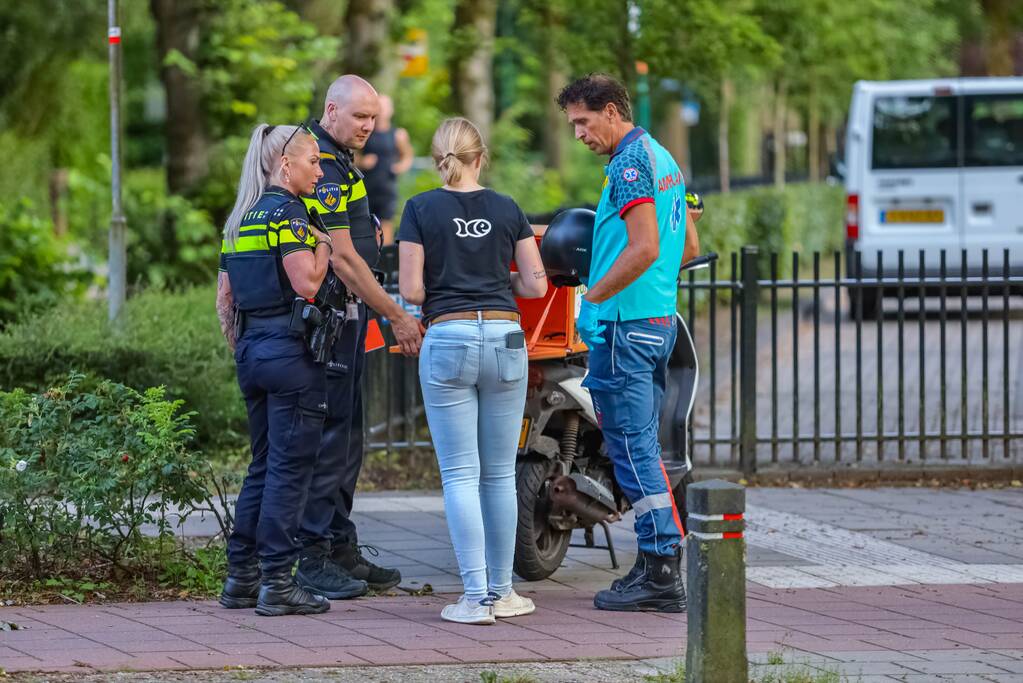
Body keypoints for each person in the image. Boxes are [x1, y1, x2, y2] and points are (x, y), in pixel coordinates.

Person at [397, 117, 548, 624]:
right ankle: (504, 593)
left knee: (460, 473)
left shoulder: (419, 209)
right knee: (500, 473)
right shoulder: (507, 208)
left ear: (438, 158)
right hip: (505, 336)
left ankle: (475, 597)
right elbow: (534, 285)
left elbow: (413, 291)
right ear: (481, 157)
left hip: (449, 336)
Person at [558, 74, 696, 613]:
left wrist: (592, 298)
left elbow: (643, 248)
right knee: (641, 446)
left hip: (624, 327)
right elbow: (686, 248)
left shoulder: (630, 164)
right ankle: (656, 560)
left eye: (583, 122)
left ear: (612, 111)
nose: (578, 134)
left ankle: (662, 567)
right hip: (655, 322)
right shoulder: (664, 159)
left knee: (631, 449)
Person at [294, 76, 425, 598]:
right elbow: (344, 258)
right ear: (331, 110)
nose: (369, 126)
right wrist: (395, 313)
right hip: (327, 320)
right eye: (359, 117)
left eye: (373, 118)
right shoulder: (317, 163)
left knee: (348, 437)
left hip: (346, 318)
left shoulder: (337, 158)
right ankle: (311, 553)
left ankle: (337, 543)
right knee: (330, 439)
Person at [215, 123, 335, 616]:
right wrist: (325, 245)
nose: (320, 168)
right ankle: (278, 585)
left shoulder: (240, 218)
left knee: (262, 466)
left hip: (253, 352)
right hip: (290, 353)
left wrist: (244, 350)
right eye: (313, 160)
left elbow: (224, 301)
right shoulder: (289, 214)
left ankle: (239, 578)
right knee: (290, 470)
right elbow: (307, 283)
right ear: (286, 165)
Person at [356, 94, 414, 245]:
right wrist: (363, 161)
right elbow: (354, 157)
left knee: (385, 226)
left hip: (387, 188)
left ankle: (384, 260)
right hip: (367, 187)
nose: (382, 110)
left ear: (391, 110)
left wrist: (400, 166)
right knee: (366, 225)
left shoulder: (398, 134)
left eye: (386, 106)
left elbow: (407, 155)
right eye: (379, 106)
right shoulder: (366, 131)